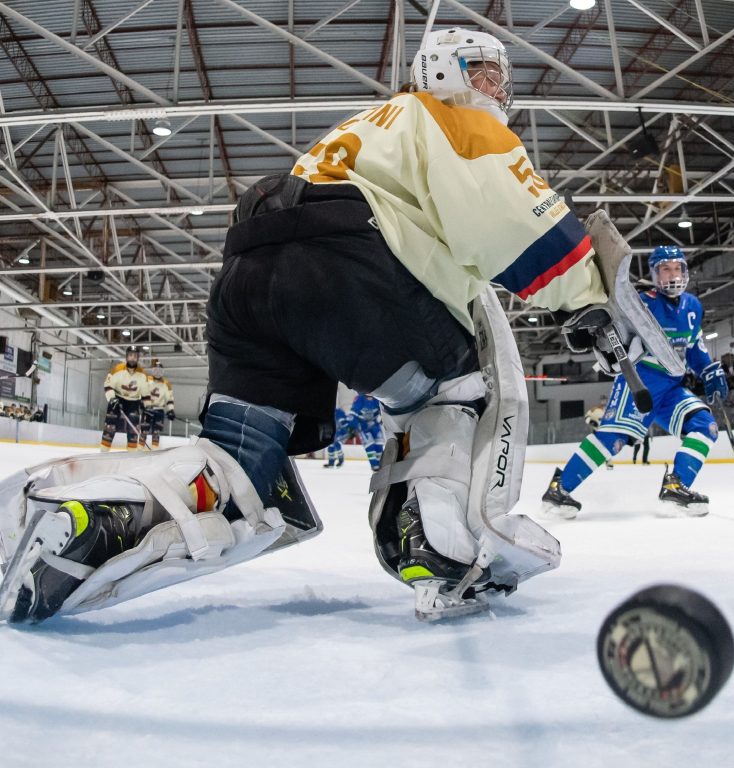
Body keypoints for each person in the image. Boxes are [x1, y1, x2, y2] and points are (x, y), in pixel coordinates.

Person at [0, 27, 676, 624]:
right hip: (343, 270)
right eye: (485, 72)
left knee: (241, 466)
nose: (497, 89)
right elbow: (501, 215)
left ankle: (92, 520)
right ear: (443, 71)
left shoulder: (368, 126)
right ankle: (433, 544)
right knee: (456, 393)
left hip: (249, 275)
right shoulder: (450, 118)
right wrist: (587, 291)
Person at [541, 245, 729, 518]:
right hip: (640, 380)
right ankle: (560, 489)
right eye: (665, 269)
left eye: (677, 268)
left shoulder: (693, 306)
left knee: (705, 425)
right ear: (654, 273)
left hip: (672, 386)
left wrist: (710, 370)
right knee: (613, 439)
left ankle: (677, 486)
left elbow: (695, 349)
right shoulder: (640, 303)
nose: (672, 274)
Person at [99, 345, 150, 451]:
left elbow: (145, 394)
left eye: (135, 356)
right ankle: (103, 452)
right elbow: (108, 385)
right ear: (127, 357)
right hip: (117, 399)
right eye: (130, 355)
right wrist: (112, 398)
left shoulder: (142, 375)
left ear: (138, 358)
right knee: (110, 427)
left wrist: (147, 407)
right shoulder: (117, 369)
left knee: (133, 430)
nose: (132, 358)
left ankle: (131, 454)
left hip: (134, 402)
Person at [347, 393, 384, 471]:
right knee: (369, 445)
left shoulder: (377, 399)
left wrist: (382, 418)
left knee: (379, 444)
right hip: (363, 427)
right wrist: (352, 427)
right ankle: (374, 465)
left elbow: (382, 410)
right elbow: (353, 413)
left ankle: (380, 463)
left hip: (375, 425)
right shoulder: (360, 399)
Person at [143, 360, 175, 449]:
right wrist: (141, 403)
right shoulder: (147, 380)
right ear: (153, 371)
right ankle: (139, 449)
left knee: (156, 432)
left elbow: (170, 398)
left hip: (159, 410)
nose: (157, 373)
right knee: (143, 431)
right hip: (147, 410)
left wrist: (171, 410)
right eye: (155, 370)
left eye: (159, 371)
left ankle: (154, 450)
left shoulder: (166, 384)